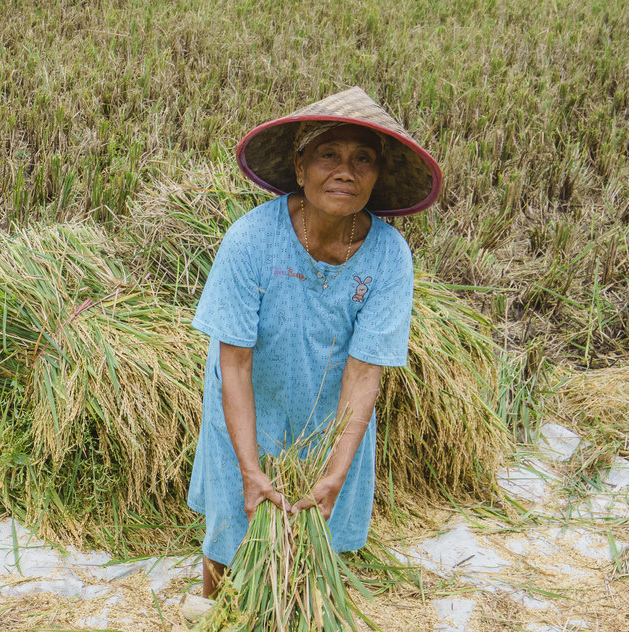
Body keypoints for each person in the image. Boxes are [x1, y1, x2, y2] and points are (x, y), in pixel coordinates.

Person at [187, 87, 443, 597]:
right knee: (230, 544)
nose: (345, 171)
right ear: (300, 167)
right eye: (328, 154)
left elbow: (365, 372)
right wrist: (251, 468)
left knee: (314, 554)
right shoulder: (251, 240)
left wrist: (334, 472)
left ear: (376, 176)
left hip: (330, 424)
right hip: (247, 413)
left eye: (362, 159)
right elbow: (233, 366)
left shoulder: (390, 257)